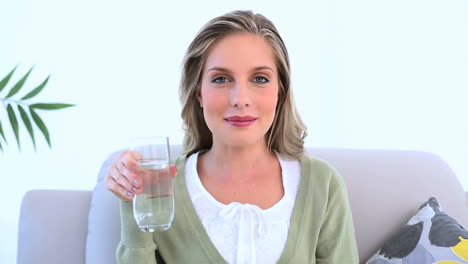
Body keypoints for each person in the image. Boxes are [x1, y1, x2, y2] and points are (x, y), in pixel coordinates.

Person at [105, 10, 359, 264]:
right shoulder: (160, 187)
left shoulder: (322, 185)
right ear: (199, 93)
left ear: (280, 91)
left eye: (260, 79)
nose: (240, 100)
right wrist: (134, 200)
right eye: (221, 79)